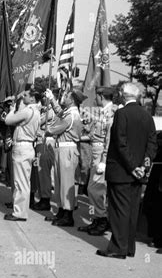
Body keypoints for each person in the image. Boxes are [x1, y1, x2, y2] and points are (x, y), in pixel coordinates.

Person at [97, 82, 157, 259]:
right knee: (131, 211)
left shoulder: (121, 113)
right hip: (137, 172)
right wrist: (143, 166)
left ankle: (117, 248)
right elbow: (152, 144)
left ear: (124, 94)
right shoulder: (147, 116)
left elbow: (120, 143)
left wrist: (132, 167)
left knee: (118, 211)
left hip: (122, 171)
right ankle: (129, 247)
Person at [43, 87, 86, 227]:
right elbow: (60, 112)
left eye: (66, 95)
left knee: (66, 183)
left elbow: (52, 129)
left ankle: (68, 215)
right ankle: (61, 211)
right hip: (62, 148)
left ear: (72, 99)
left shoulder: (71, 115)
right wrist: (52, 100)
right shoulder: (69, 113)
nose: (63, 97)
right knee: (60, 182)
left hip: (67, 149)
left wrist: (46, 128)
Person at [78, 86, 116, 235]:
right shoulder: (102, 112)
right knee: (93, 189)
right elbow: (95, 134)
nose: (95, 99)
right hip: (96, 151)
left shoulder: (110, 113)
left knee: (95, 189)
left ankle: (102, 220)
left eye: (97, 96)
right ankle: (96, 219)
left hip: (101, 153)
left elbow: (109, 138)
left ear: (101, 96)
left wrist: (104, 160)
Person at [3, 85, 40, 221]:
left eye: (26, 95)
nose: (23, 97)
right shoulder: (35, 111)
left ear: (32, 98)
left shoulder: (28, 111)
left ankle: (19, 213)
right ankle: (19, 210)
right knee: (23, 182)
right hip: (27, 146)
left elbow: (8, 120)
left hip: (23, 147)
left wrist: (12, 108)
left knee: (20, 183)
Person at [33, 89, 57, 211]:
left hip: (45, 142)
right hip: (40, 142)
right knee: (40, 172)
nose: (43, 99)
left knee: (44, 172)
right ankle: (43, 196)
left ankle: (45, 199)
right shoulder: (44, 111)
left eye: (45, 97)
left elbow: (38, 122)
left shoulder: (50, 112)